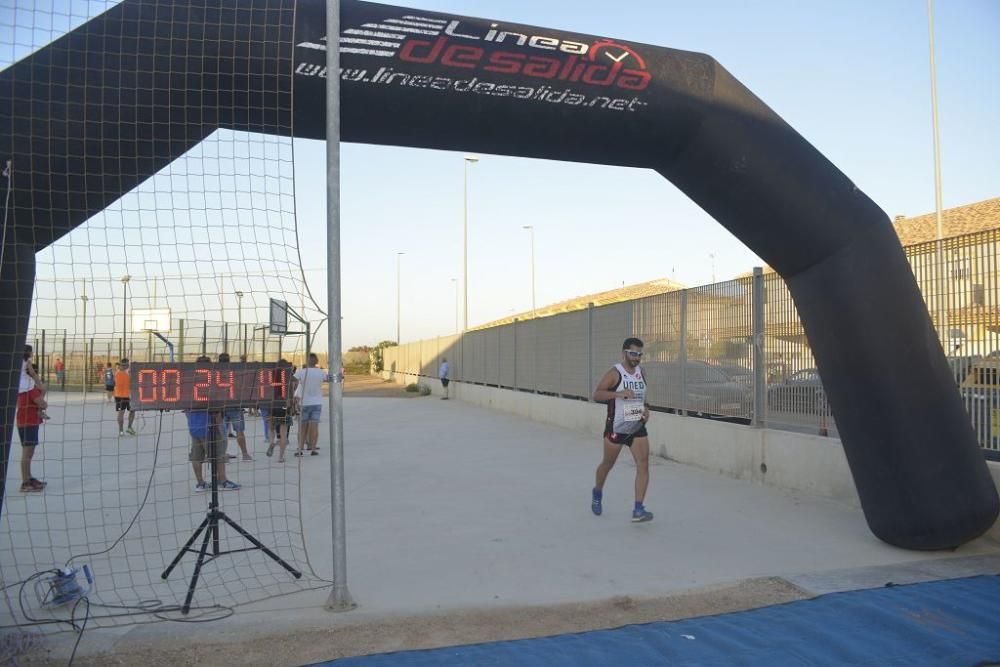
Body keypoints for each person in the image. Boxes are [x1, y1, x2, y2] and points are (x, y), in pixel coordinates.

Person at [591, 337, 653, 523]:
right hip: (617, 428)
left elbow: (641, 396)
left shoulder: (641, 372)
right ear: (624, 353)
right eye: (633, 353)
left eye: (640, 354)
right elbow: (597, 394)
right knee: (607, 464)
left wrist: (646, 409)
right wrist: (618, 394)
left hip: (637, 426)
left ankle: (638, 509)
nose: (637, 358)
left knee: (643, 465)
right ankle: (597, 491)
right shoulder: (615, 372)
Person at [187, 355, 241, 492]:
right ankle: (222, 480)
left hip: (194, 426)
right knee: (218, 454)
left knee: (196, 456)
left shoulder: (189, 383)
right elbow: (216, 405)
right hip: (210, 425)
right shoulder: (212, 382)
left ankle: (200, 483)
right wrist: (219, 425)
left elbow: (186, 408)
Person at [217, 353, 252, 461]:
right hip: (234, 405)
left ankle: (222, 454)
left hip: (220, 407)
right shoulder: (234, 372)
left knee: (222, 433)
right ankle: (245, 454)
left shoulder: (216, 373)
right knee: (239, 431)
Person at [16, 378, 48, 492]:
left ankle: (29, 478)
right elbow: (43, 404)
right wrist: (43, 391)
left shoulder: (25, 388)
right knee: (27, 453)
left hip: (26, 422)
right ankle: (25, 482)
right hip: (29, 423)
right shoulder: (30, 389)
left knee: (29, 453)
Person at [293, 353, 325, 456]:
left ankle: (300, 449)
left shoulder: (300, 372)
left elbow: (293, 381)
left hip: (304, 403)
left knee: (302, 427)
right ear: (317, 361)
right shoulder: (321, 372)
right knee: (314, 426)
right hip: (317, 402)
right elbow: (329, 379)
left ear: (306, 361)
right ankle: (313, 449)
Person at [265, 363, 292, 463]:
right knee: (283, 434)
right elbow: (291, 395)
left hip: (272, 406)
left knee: (271, 428)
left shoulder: (270, 379)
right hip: (284, 407)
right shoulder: (288, 379)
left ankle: (271, 442)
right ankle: (281, 457)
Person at [114, 358, 137, 436]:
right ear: (127, 364)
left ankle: (121, 431)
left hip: (118, 396)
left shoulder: (116, 372)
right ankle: (129, 427)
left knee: (121, 413)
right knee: (132, 411)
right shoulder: (129, 372)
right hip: (127, 396)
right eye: (127, 364)